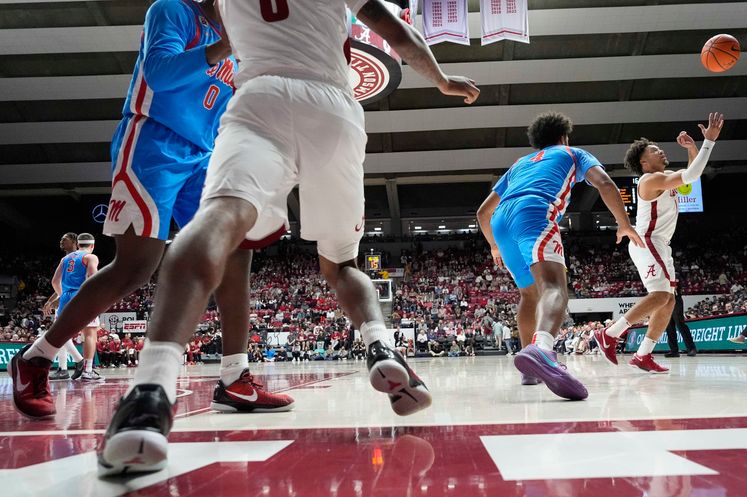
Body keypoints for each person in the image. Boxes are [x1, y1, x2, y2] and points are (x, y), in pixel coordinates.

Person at [95, 0, 478, 476]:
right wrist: (441, 79)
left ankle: (150, 393)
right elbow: (398, 34)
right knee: (341, 265)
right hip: (334, 106)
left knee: (215, 223)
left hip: (261, 98)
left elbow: (200, 36)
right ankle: (381, 345)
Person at [11, 0, 292, 419]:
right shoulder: (173, 10)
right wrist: (225, 47)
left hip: (204, 154)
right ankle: (36, 357)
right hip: (151, 142)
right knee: (136, 267)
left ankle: (235, 376)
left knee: (235, 248)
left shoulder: (239, 32)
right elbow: (159, 74)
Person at [477, 111, 643, 399]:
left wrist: (494, 245)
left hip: (501, 223)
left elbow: (482, 212)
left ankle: (529, 369)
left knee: (529, 296)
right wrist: (625, 224)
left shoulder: (519, 164)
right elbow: (605, 184)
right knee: (554, 288)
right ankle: (542, 350)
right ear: (563, 136)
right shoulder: (573, 152)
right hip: (534, 212)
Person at [594, 113, 724, 373]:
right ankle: (610, 333)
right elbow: (691, 174)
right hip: (647, 241)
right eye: (655, 150)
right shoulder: (650, 180)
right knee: (662, 295)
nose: (662, 151)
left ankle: (643, 355)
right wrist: (708, 141)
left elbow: (689, 181)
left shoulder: (664, 178)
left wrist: (692, 148)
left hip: (661, 244)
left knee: (669, 301)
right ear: (644, 162)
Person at [46, 233, 102, 384]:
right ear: (92, 245)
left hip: (65, 298)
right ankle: (88, 371)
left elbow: (55, 281)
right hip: (82, 296)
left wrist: (62, 295)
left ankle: (62, 368)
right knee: (90, 333)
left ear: (78, 244)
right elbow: (92, 277)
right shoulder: (91, 257)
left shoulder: (65, 259)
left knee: (61, 334)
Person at [44, 232, 88, 381]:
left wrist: (61, 297)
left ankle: (79, 361)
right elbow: (61, 284)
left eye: (65, 239)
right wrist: (51, 300)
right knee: (61, 333)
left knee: (60, 332)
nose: (61, 241)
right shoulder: (69, 258)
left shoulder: (79, 257)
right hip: (69, 297)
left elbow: (58, 283)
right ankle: (63, 368)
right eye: (61, 239)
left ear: (75, 241)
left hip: (73, 298)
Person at [663, 281, 698, 358]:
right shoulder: (662, 277)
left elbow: (675, 286)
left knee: (680, 324)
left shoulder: (673, 274)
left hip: (675, 299)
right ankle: (674, 351)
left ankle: (691, 348)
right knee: (669, 327)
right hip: (666, 302)